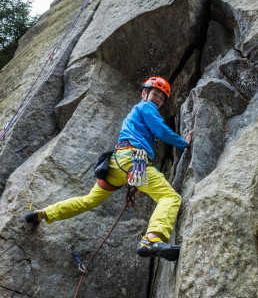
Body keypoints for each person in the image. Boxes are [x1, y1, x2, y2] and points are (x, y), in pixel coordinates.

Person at [25, 76, 193, 261]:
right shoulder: (146, 107)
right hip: (133, 159)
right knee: (170, 197)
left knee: (89, 200)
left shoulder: (135, 113)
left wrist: (136, 183)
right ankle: (151, 239)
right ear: (144, 93)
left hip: (116, 164)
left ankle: (44, 213)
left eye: (162, 98)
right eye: (156, 94)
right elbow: (160, 130)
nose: (158, 100)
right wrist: (183, 143)